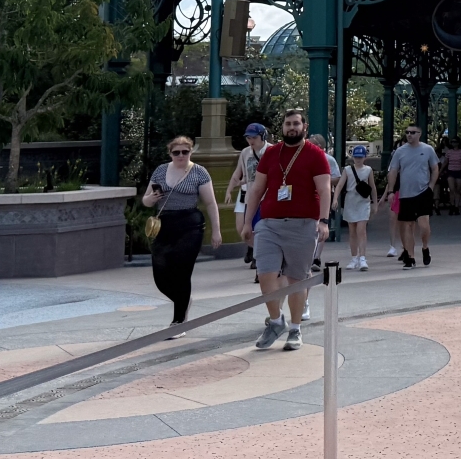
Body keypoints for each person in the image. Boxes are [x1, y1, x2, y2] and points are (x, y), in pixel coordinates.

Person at [240, 109, 332, 350]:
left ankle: (295, 328)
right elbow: (257, 189)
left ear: (304, 127)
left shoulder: (315, 154)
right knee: (265, 274)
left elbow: (324, 190)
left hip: (303, 224)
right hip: (269, 223)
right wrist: (248, 222)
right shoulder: (271, 153)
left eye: (296, 124)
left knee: (296, 279)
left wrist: (323, 221)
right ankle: (276, 321)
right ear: (282, 127)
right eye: (287, 124)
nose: (291, 128)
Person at [141, 136, 223, 330]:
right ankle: (183, 300)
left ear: (190, 152)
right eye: (176, 152)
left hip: (190, 225)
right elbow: (145, 200)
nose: (181, 156)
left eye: (185, 152)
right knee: (160, 275)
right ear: (170, 153)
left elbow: (210, 203)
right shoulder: (160, 170)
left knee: (182, 272)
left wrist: (216, 231)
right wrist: (151, 199)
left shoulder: (199, 172)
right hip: (165, 224)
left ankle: (178, 322)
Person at [387, 124, 437, 267]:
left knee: (424, 225)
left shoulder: (428, 149)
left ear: (419, 134)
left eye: (413, 132)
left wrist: (431, 186)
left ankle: (425, 247)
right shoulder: (399, 152)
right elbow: (393, 171)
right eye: (407, 132)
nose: (409, 135)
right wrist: (391, 191)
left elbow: (435, 168)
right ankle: (410, 256)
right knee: (407, 225)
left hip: (423, 192)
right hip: (405, 194)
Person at [226, 121, 269, 268]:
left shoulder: (272, 150)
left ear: (263, 136)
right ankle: (255, 251)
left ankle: (259, 257)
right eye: (248, 138)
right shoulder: (245, 153)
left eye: (254, 137)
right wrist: (229, 189)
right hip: (250, 196)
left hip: (267, 197)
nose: (251, 141)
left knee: (263, 229)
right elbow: (239, 173)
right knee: (246, 229)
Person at [340, 141, 375, 270]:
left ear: (365, 157)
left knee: (361, 230)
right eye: (356, 157)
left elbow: (372, 187)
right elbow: (340, 184)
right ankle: (354, 257)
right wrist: (335, 199)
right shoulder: (347, 170)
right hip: (350, 201)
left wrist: (375, 203)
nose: (358, 159)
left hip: (363, 202)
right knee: (352, 231)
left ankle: (362, 258)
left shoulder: (368, 170)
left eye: (360, 157)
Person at [441, 138, 461, 216]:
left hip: (459, 171)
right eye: (453, 142)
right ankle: (452, 205)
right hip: (451, 171)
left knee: (458, 190)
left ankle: (456, 206)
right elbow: (445, 162)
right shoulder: (449, 152)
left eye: (455, 142)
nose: (454, 143)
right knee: (452, 189)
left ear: (458, 143)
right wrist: (440, 171)